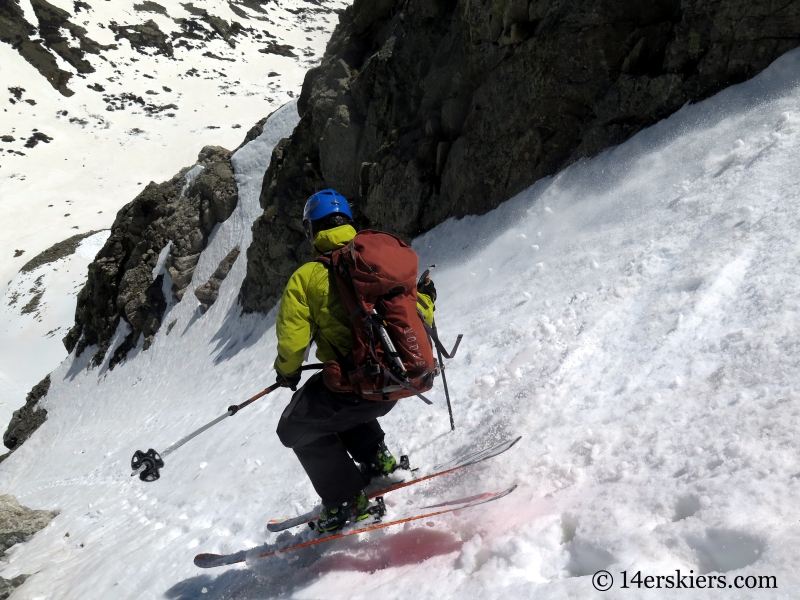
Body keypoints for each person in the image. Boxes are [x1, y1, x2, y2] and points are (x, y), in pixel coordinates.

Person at [273, 189, 437, 533]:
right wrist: (427, 299)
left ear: (312, 229)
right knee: (333, 401)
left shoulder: (306, 278)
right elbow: (417, 313)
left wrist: (287, 374)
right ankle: (378, 460)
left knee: (294, 427)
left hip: (358, 387)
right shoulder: (377, 262)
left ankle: (346, 500)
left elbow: (292, 343)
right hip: (396, 380)